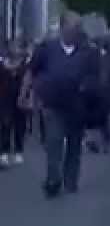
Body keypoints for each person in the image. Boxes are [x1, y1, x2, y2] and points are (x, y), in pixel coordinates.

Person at [29, 12, 100, 197]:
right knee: (54, 142)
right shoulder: (46, 48)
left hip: (77, 106)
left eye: (77, 29)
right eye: (71, 28)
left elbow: (95, 77)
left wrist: (88, 88)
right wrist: (30, 94)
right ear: (61, 29)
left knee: (74, 145)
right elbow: (33, 71)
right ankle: (53, 180)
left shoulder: (88, 52)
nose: (74, 33)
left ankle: (71, 180)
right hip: (52, 104)